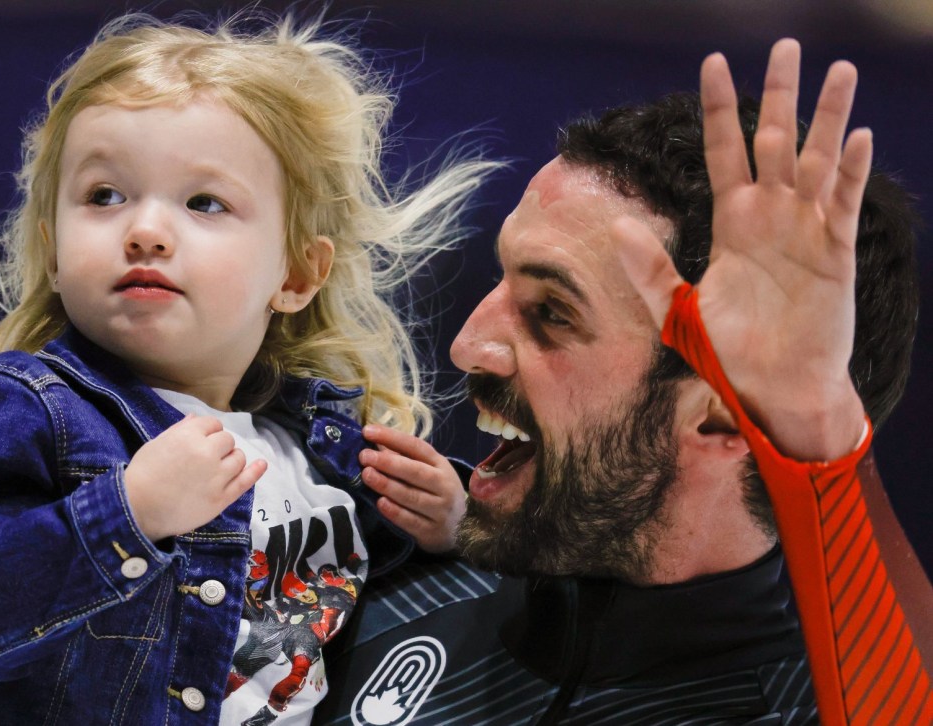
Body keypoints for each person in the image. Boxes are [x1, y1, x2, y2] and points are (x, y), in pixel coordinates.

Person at [0, 12, 495, 725]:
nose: (144, 230)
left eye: (204, 202)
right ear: (52, 251)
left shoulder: (327, 455)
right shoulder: (22, 413)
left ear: (297, 273)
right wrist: (128, 515)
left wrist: (457, 528)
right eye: (104, 196)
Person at [316, 40, 933, 725]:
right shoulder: (350, 593)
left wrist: (816, 427)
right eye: (501, 279)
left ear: (722, 417)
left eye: (551, 312)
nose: (469, 346)